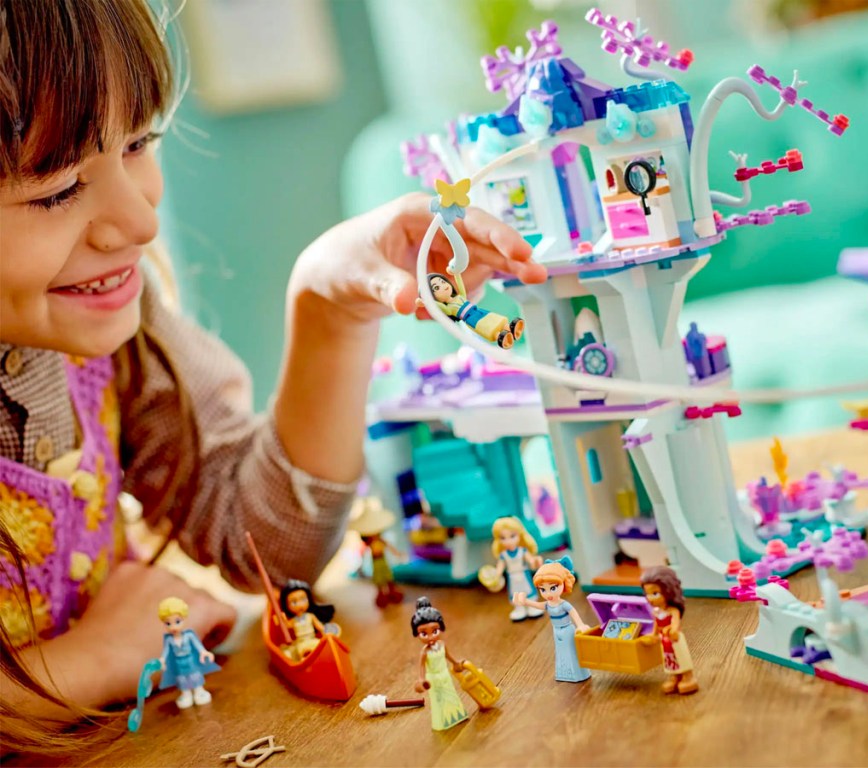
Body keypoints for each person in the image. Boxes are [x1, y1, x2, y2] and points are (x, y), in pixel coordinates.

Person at [0, 0, 544, 754]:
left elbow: (264, 549)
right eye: (57, 189)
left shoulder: (112, 326)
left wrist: (328, 306)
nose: (138, 221)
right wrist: (81, 665)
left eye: (138, 143)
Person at [514, 557, 591, 683]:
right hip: (556, 631)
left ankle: (578, 674)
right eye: (543, 589)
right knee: (561, 653)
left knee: (572, 651)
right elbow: (538, 605)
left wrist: (580, 625)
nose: (548, 593)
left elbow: (573, 612)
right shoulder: (548, 604)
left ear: (563, 584)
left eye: (553, 588)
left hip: (567, 630)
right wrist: (525, 601)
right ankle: (564, 674)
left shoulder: (563, 604)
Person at [423, 270, 525, 349]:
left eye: (442, 282)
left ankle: (510, 328)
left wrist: (457, 274)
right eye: (437, 288)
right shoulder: (449, 308)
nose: (443, 286)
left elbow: (461, 287)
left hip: (478, 311)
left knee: (494, 319)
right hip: (471, 319)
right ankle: (501, 337)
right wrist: (426, 300)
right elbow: (438, 306)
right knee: (487, 328)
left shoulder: (459, 297)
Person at [410, 597, 469, 731]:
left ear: (441, 628)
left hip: (445, 675)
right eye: (424, 633)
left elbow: (448, 656)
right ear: (417, 634)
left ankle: (457, 715)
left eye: (435, 631)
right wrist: (421, 679)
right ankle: (442, 722)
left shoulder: (442, 645)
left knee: (451, 694)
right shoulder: (424, 652)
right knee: (439, 700)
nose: (431, 637)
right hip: (434, 679)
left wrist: (456, 663)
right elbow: (421, 668)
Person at [640, 566, 698, 695]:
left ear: (669, 591)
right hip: (663, 640)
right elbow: (656, 624)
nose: (650, 598)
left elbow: (675, 623)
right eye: (647, 594)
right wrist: (653, 635)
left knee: (680, 657)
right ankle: (674, 677)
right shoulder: (656, 611)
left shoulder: (673, 610)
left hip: (674, 639)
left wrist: (671, 629)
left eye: (655, 593)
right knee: (668, 659)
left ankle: (687, 676)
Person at [156, 597, 220, 709]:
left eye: (177, 621)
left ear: (184, 619)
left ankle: (199, 691)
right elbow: (166, 651)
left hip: (190, 660)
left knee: (194, 676)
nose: (173, 627)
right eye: (168, 623)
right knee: (182, 679)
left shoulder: (189, 635)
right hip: (179, 663)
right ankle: (186, 694)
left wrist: (204, 652)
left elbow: (198, 646)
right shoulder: (169, 639)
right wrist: (162, 660)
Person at [482, 517, 544, 621]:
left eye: (512, 536)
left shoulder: (522, 551)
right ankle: (519, 609)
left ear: (520, 535)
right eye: (503, 538)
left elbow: (531, 562)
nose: (508, 541)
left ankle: (531, 607)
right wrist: (495, 577)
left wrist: (536, 562)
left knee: (528, 591)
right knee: (515, 593)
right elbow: (499, 568)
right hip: (512, 577)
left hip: (523, 575)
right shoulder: (503, 555)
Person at [277, 580, 336, 660]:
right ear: (286, 605)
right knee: (303, 652)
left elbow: (319, 626)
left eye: (303, 599)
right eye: (294, 602)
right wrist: (283, 619)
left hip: (312, 639)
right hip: (301, 642)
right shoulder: (294, 620)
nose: (300, 605)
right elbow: (287, 625)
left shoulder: (310, 616)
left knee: (321, 647)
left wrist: (325, 632)